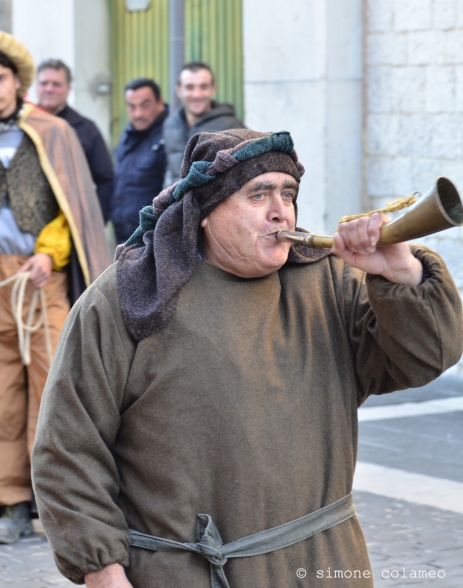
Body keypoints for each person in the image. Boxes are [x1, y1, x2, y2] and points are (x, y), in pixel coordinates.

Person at [32, 128, 462, 588]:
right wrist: (101, 568)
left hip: (322, 566)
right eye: (258, 194)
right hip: (187, 574)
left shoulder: (328, 282)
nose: (281, 210)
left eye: (288, 193)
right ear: (205, 211)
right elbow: (69, 446)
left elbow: (424, 358)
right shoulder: (131, 296)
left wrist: (401, 274)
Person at [0, 32, 111, 545]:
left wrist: (49, 252)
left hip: (41, 278)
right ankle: (12, 499)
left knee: (52, 384)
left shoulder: (53, 132)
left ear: (15, 82)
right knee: (3, 395)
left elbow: (70, 208)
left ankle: (58, 496)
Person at [36, 59, 114, 223]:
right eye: (44, 83)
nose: (49, 89)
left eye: (56, 84)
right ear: (36, 86)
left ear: (68, 89)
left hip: (71, 223)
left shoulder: (86, 129)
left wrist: (96, 221)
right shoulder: (22, 126)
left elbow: (106, 179)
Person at [163, 61, 244, 186]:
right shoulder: (170, 125)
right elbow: (171, 172)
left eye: (204, 87)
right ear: (178, 91)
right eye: (190, 87)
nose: (197, 94)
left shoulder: (232, 127)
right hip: (177, 204)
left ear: (213, 89)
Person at [111, 77, 168, 245]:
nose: (138, 114)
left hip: (152, 240)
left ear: (160, 103)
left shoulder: (169, 137)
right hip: (124, 237)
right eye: (132, 106)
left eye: (145, 105)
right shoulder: (128, 134)